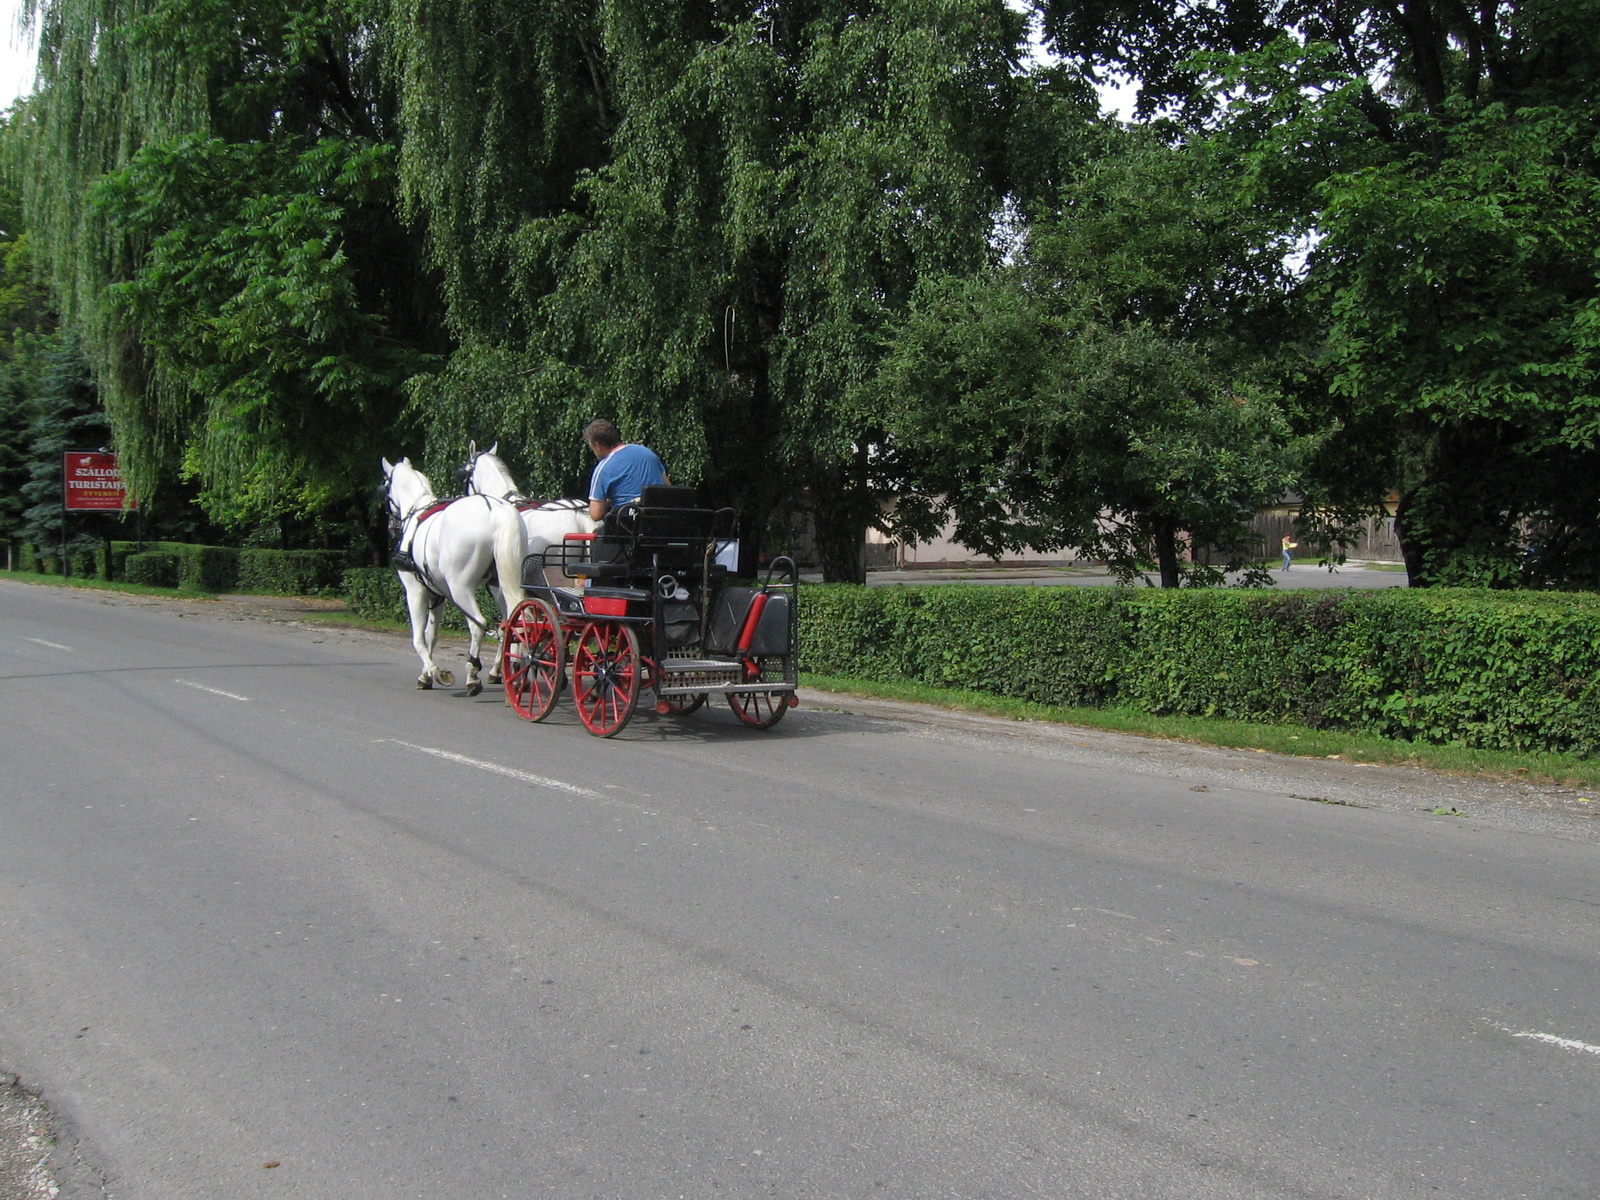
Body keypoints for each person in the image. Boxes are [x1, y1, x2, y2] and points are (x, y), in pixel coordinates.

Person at [584, 419, 669, 524]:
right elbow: (668, 487)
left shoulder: (603, 468)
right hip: (662, 521)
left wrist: (606, 503)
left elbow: (596, 514)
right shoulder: (647, 453)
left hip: (629, 526)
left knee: (597, 537)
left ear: (597, 445)